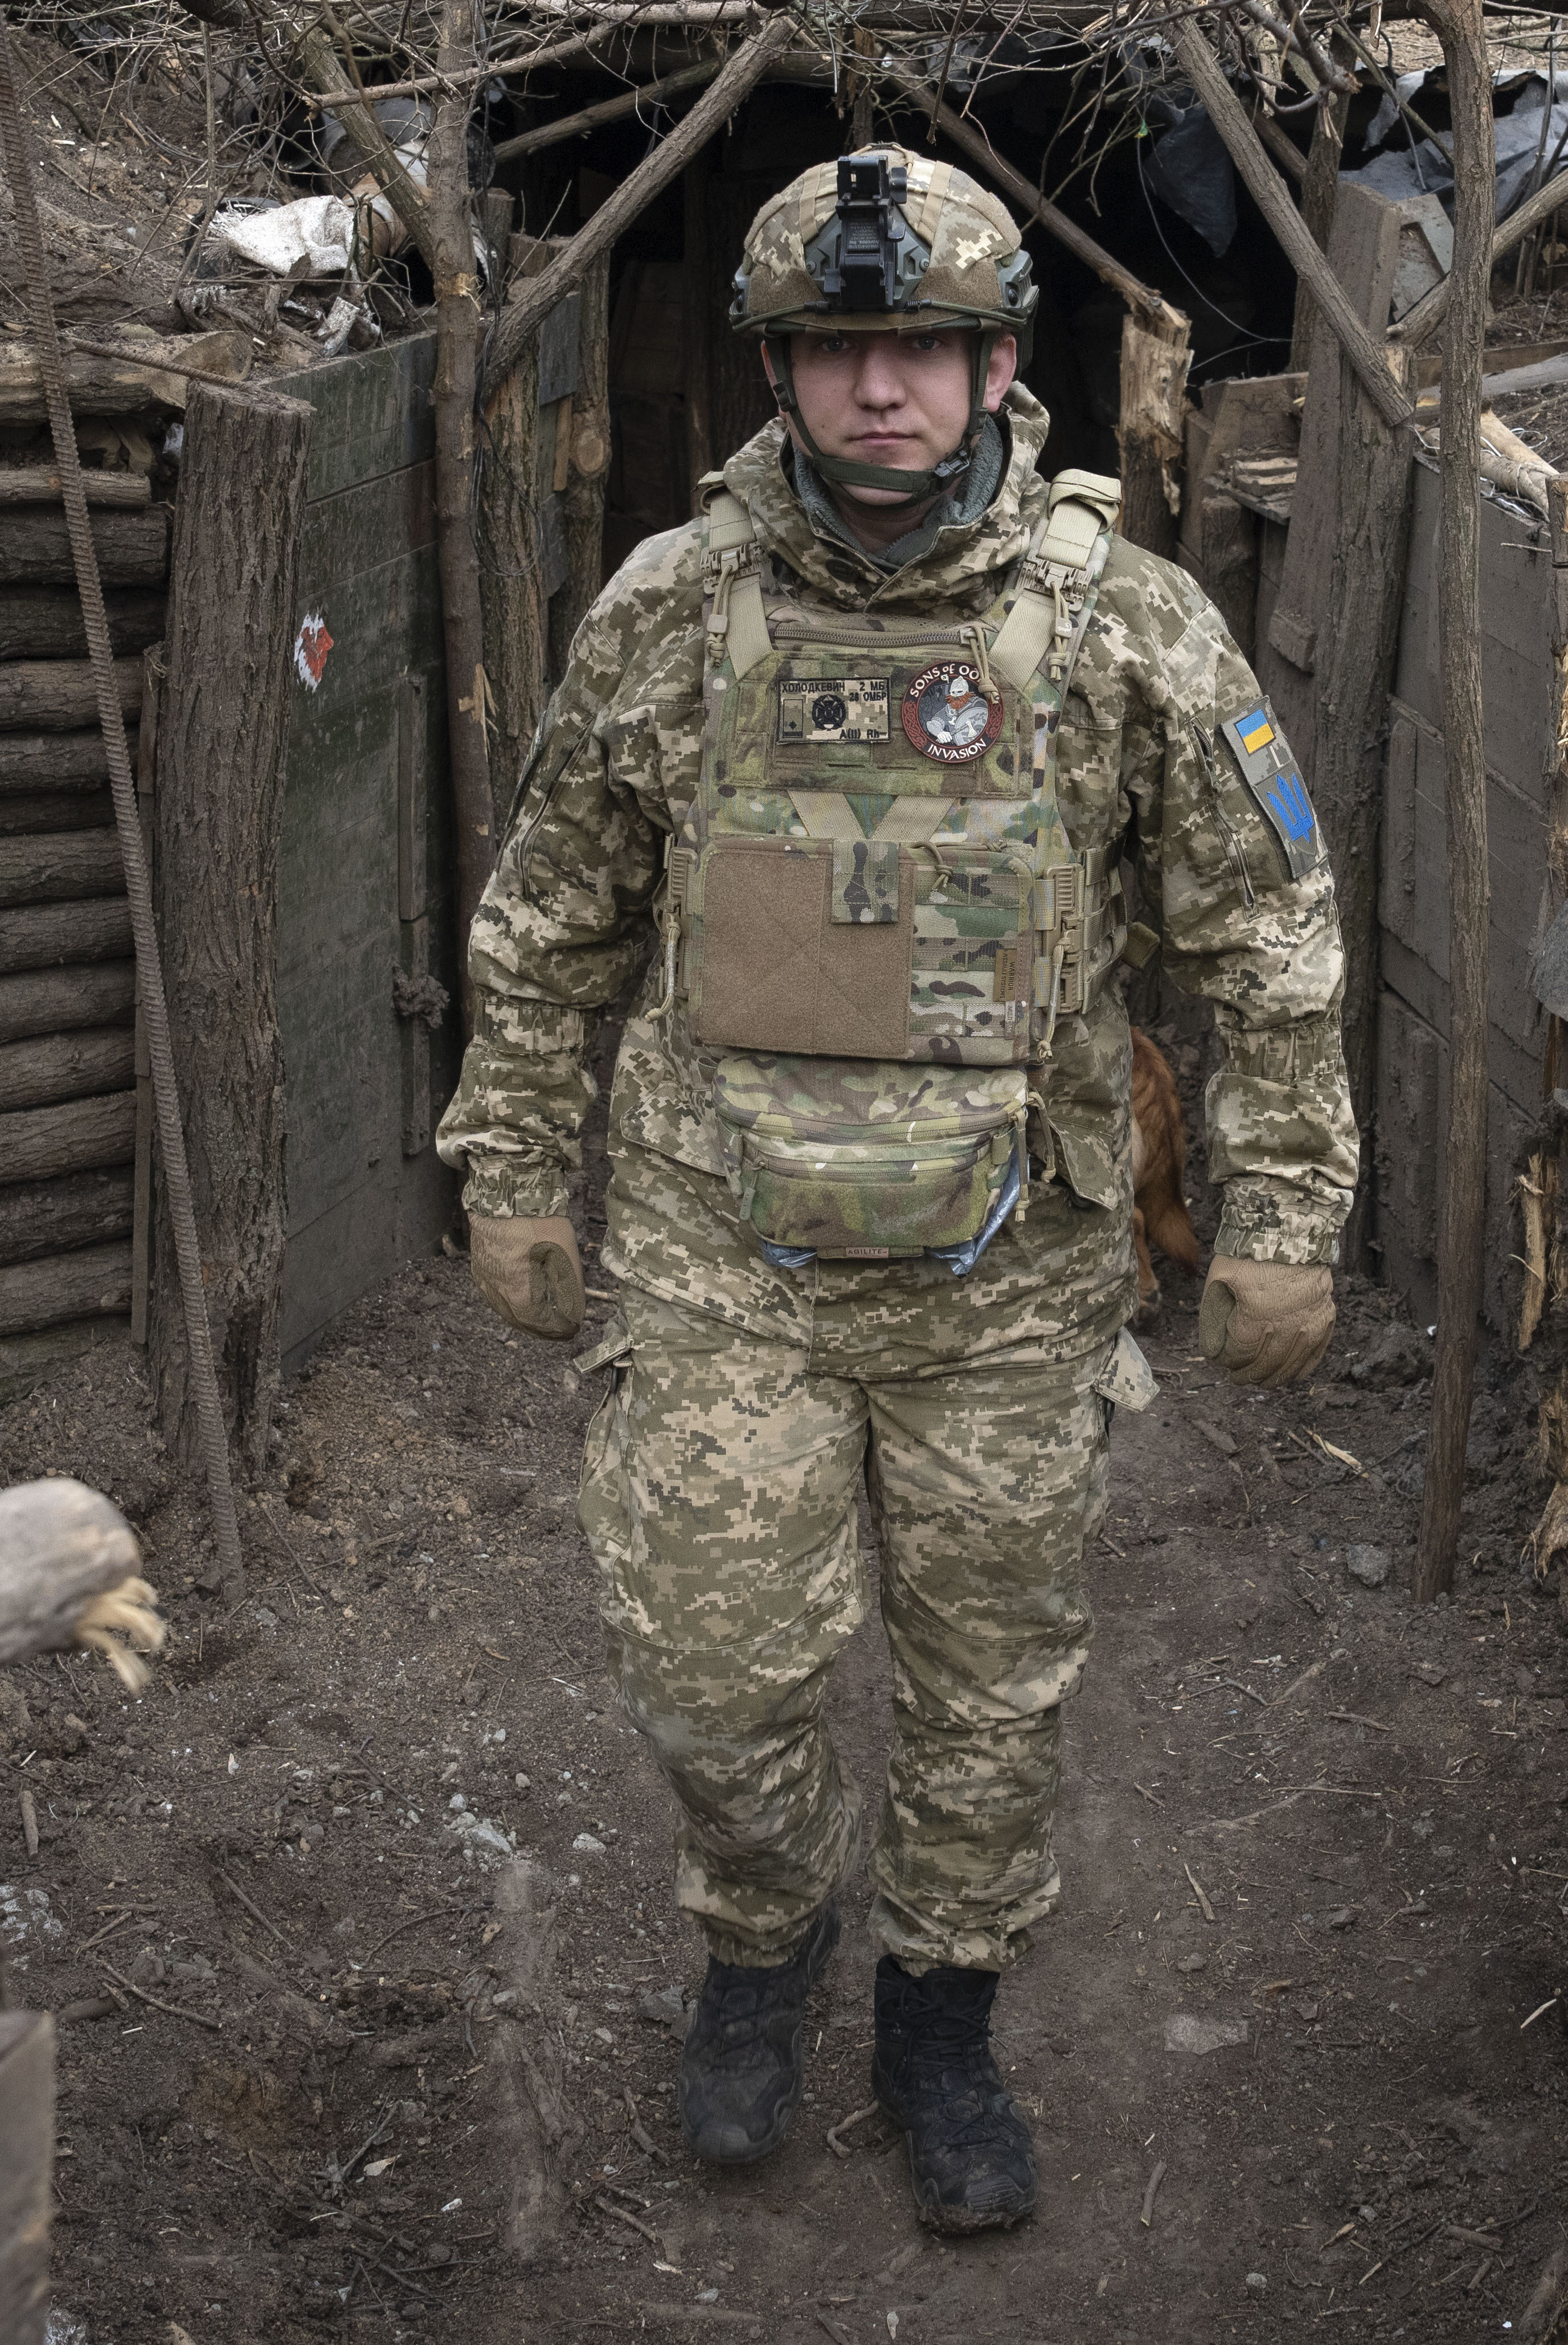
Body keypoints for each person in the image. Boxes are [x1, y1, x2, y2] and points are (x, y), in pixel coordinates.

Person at [436, 145, 1360, 2233]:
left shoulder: (1126, 624)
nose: (880, 392)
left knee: (988, 1678)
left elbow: (1266, 933)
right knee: (718, 1670)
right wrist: (508, 1164)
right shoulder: (670, 612)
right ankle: (760, 1949)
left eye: (918, 351)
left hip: (1007, 1275)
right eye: (840, 350)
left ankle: (940, 2017)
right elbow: (553, 916)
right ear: (781, 370)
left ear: (994, 363)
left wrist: (1285, 1208)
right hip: (715, 1255)